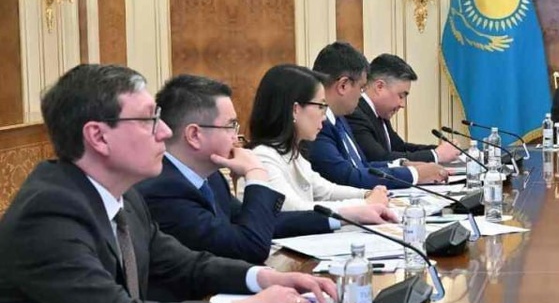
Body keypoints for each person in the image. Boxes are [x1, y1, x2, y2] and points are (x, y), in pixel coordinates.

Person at [0, 64, 335, 303]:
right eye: (149, 120)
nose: (163, 131)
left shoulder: (124, 195)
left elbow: (187, 264)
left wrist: (263, 277)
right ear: (98, 136)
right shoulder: (49, 211)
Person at [136, 75, 393, 264]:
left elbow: (268, 222)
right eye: (231, 126)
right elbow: (248, 246)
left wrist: (345, 217)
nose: (236, 137)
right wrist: (256, 175)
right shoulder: (165, 189)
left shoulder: (210, 178)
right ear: (194, 135)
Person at [247, 64, 402, 215]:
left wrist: (366, 194)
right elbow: (295, 209)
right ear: (295, 110)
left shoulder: (292, 152)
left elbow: (327, 191)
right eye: (321, 106)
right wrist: (365, 204)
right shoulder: (264, 158)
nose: (324, 117)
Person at [305, 41, 446, 189]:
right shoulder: (317, 125)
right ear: (343, 85)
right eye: (361, 88)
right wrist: (414, 174)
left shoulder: (339, 118)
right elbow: (348, 177)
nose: (361, 96)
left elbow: (362, 164)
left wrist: (403, 164)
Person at [347, 54, 458, 164]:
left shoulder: (380, 113)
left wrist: (440, 150)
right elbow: (379, 158)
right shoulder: (355, 113)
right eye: (401, 96)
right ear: (379, 87)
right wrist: (435, 155)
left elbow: (400, 148)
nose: (402, 104)